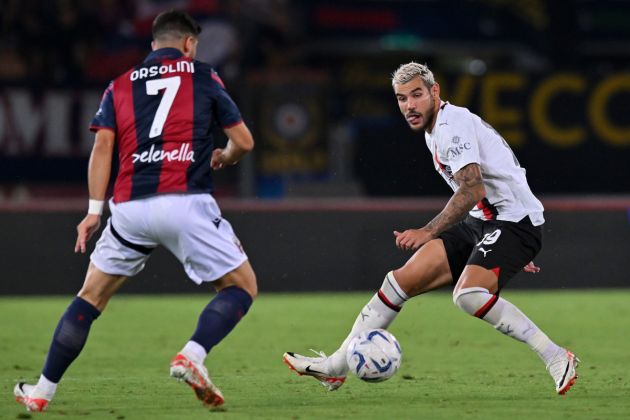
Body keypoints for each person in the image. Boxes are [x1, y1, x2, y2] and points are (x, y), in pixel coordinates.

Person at [283, 62, 579, 395]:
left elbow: (472, 189)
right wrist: (504, 250)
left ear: (435, 92)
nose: (409, 105)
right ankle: (336, 367)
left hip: (512, 221)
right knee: (398, 282)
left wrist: (429, 231)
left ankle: (556, 356)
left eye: (417, 95)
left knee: (468, 296)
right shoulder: (436, 128)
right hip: (485, 223)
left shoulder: (452, 126)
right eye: (401, 98)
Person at [14, 10, 257, 412]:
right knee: (241, 287)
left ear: (152, 45)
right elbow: (244, 142)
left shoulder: (120, 84)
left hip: (129, 208)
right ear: (189, 44)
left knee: (89, 298)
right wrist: (225, 156)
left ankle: (41, 392)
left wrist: (93, 211)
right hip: (185, 203)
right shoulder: (201, 74)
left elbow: (103, 148)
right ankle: (192, 355)